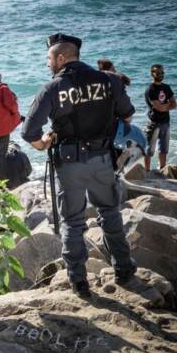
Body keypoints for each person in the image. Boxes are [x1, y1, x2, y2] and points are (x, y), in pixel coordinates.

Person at [21, 33, 137, 298]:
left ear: (61, 58)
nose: (47, 63)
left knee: (72, 222)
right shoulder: (109, 80)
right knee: (110, 212)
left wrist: (42, 144)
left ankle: (78, 281)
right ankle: (124, 268)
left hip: (70, 163)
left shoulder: (52, 88)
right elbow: (128, 114)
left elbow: (29, 132)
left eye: (49, 58)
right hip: (103, 159)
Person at [143, 64, 175, 171]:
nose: (161, 74)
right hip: (154, 122)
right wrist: (167, 106)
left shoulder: (166, 87)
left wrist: (164, 107)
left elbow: (174, 104)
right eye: (158, 72)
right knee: (149, 150)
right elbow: (159, 107)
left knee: (164, 149)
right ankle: (147, 172)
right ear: (152, 73)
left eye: (162, 72)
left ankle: (162, 170)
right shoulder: (150, 89)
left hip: (166, 122)